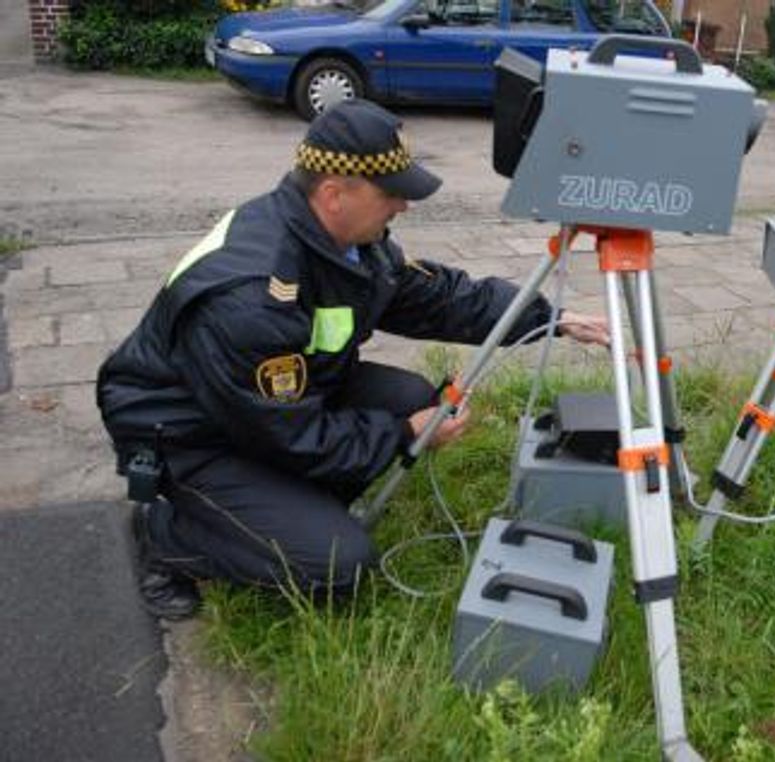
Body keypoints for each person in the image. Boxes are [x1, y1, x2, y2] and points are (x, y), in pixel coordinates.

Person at [96, 100, 608, 620]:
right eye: (392, 194)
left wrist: (551, 318)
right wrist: (404, 434)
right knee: (339, 563)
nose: (403, 207)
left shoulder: (345, 243)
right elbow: (289, 436)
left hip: (265, 405)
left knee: (412, 398)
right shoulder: (252, 297)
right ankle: (166, 536)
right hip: (189, 433)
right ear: (333, 192)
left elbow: (436, 298)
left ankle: (287, 508)